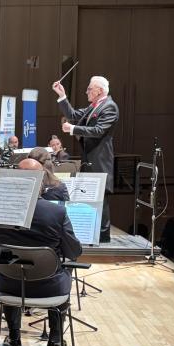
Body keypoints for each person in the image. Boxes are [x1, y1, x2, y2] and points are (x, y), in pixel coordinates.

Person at [0, 158, 82, 346]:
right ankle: (55, 340)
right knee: (66, 267)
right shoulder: (56, 212)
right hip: (49, 287)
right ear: (41, 182)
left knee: (12, 269)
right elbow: (73, 252)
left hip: (10, 285)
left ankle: (14, 339)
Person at [54, 75, 118, 242]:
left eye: (90, 89)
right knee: (89, 195)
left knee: (101, 196)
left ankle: (103, 236)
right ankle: (90, 232)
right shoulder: (94, 107)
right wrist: (62, 96)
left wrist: (73, 129)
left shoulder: (109, 107)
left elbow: (98, 131)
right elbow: (74, 114)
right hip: (90, 158)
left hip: (100, 159)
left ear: (100, 91)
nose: (86, 91)